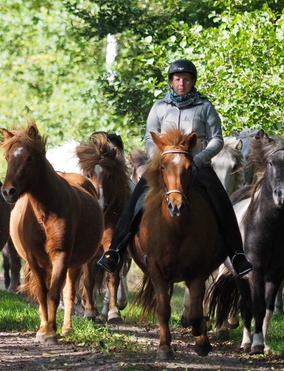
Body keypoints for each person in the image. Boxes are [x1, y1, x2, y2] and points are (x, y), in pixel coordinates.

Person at [97, 58, 253, 277]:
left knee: (222, 203)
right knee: (135, 201)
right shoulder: (160, 107)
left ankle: (238, 255)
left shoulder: (205, 107)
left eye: (186, 79)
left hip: (197, 164)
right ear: (171, 82)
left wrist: (200, 159)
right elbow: (150, 137)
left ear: (192, 81)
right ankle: (115, 251)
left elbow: (217, 139)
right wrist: (159, 159)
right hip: (165, 166)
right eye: (178, 79)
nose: (182, 83)